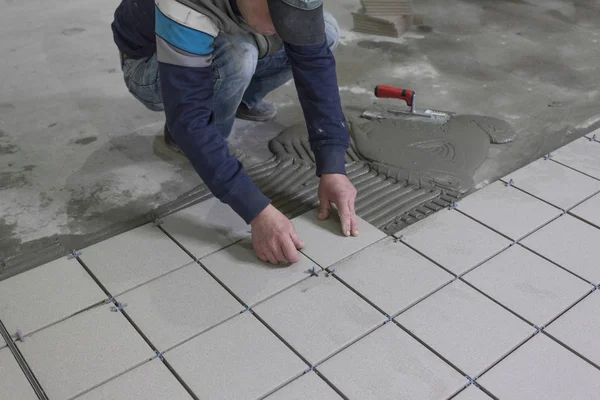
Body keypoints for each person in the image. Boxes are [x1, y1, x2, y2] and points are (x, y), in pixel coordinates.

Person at [111, 0, 359, 264]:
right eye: (279, 17)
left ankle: (241, 98)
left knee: (324, 31)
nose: (282, 28)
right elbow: (189, 118)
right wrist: (256, 211)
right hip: (150, 58)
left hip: (231, 24)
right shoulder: (184, 4)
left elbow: (315, 63)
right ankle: (196, 133)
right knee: (236, 57)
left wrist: (333, 164)